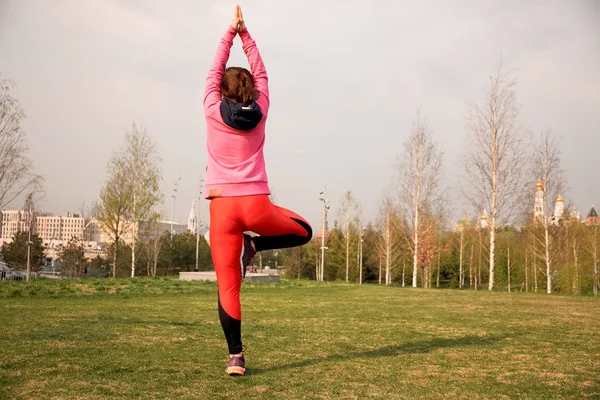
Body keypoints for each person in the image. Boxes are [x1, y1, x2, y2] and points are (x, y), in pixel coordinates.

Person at [203, 5, 313, 376]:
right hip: (255, 207)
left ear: (221, 91)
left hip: (221, 210)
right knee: (306, 231)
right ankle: (256, 245)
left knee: (228, 286)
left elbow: (214, 69)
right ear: (252, 91)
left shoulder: (211, 108)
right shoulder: (261, 110)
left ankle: (235, 357)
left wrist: (230, 32)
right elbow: (262, 73)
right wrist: (246, 34)